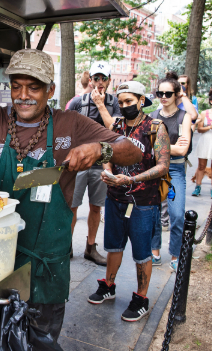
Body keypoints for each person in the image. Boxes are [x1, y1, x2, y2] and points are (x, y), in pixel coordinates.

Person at [0, 49, 143, 340]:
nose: (23, 95)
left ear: (51, 90)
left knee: (40, 343)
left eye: (33, 87)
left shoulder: (70, 124)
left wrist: (101, 149)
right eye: (16, 86)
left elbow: (133, 149)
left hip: (44, 270)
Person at [87, 80, 170, 322]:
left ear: (141, 101)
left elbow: (163, 166)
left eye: (129, 102)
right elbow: (106, 152)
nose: (124, 106)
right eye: (121, 102)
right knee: (113, 245)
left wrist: (131, 180)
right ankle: (109, 285)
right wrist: (108, 171)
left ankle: (141, 298)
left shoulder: (155, 128)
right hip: (115, 197)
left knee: (142, 252)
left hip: (144, 201)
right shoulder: (117, 125)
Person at [66, 61, 122, 265]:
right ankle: (67, 245)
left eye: (103, 78)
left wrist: (100, 104)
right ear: (90, 80)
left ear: (109, 81)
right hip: (79, 164)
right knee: (72, 206)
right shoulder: (77, 102)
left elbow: (116, 131)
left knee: (96, 207)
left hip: (102, 163)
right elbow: (65, 128)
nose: (99, 82)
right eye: (96, 78)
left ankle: (91, 247)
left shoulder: (113, 103)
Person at [149, 72, 192, 272]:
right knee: (155, 212)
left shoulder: (184, 117)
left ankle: (175, 254)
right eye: (160, 93)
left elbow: (183, 150)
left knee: (177, 214)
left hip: (175, 168)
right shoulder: (153, 117)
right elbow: (147, 146)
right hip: (155, 168)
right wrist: (167, 146)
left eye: (168, 93)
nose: (163, 97)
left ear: (176, 94)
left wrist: (158, 145)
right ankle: (154, 252)